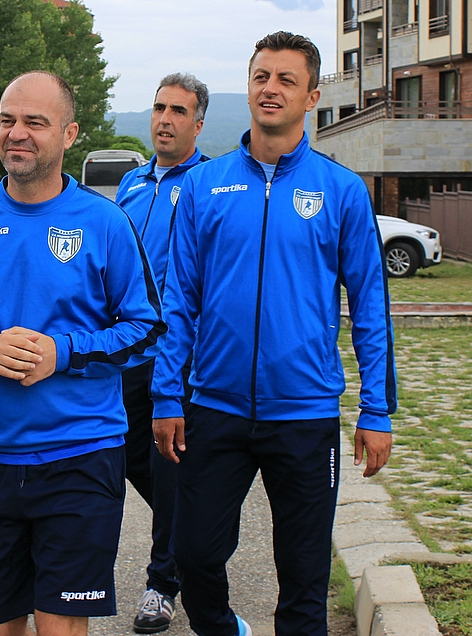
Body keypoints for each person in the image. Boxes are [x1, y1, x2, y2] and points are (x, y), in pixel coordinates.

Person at [151, 32, 396, 636]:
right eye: (261, 76)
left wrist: (376, 410)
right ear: (248, 87)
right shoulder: (205, 186)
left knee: (304, 579)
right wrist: (166, 395)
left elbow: (370, 306)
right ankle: (224, 627)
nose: (271, 88)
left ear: (311, 97)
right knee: (193, 555)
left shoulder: (341, 191)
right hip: (216, 408)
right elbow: (179, 301)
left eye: (287, 79)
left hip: (305, 415)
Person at [0, 71, 166, 636]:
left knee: (59, 628)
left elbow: (146, 328)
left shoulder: (105, 222)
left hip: (81, 458)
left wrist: (65, 352)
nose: (17, 133)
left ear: (69, 134)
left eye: (35, 122)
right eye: (7, 120)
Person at [115, 72, 210, 635]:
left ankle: (162, 584)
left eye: (178, 111)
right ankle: (193, 530)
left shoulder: (207, 183)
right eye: (158, 108)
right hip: (129, 350)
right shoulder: (132, 182)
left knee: (167, 467)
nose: (165, 120)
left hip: (177, 354)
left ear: (198, 123)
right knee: (127, 458)